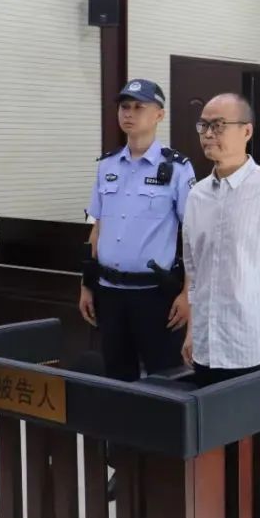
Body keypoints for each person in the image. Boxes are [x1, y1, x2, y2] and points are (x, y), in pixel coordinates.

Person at [182, 93, 260, 385]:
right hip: (206, 343)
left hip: (255, 345)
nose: (208, 134)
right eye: (203, 126)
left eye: (218, 125)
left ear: (247, 131)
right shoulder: (197, 195)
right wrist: (192, 330)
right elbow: (195, 273)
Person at [79, 78, 195, 381]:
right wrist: (87, 284)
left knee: (165, 379)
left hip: (155, 296)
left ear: (159, 115)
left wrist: (188, 294)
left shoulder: (177, 168)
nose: (128, 113)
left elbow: (193, 237)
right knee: (117, 377)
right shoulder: (107, 165)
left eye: (138, 107)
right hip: (110, 293)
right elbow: (96, 229)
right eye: (124, 107)